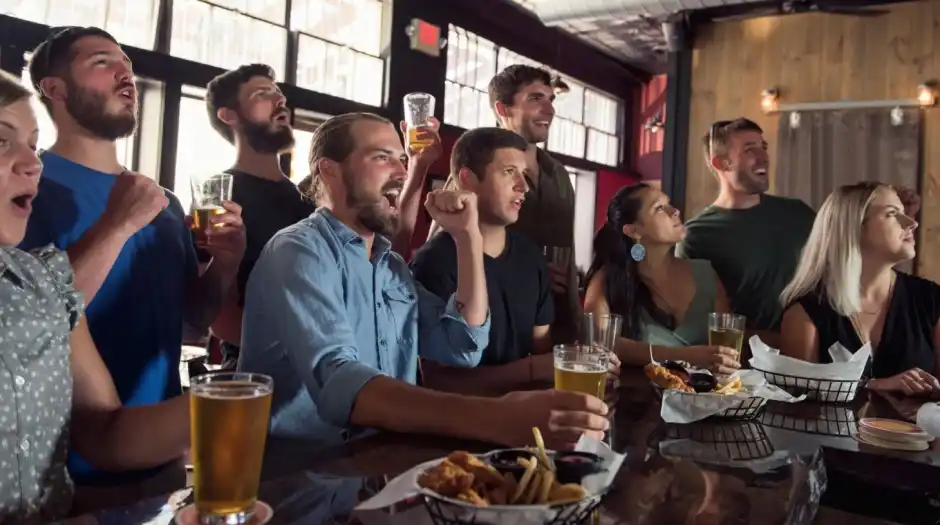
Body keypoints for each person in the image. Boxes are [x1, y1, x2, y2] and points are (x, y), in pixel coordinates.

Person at [238, 112, 609, 449]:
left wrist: (469, 238)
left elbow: (462, 343)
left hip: (374, 464)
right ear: (330, 170)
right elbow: (341, 383)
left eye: (402, 160)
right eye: (382, 157)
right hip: (297, 474)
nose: (401, 173)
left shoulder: (390, 266)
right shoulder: (299, 251)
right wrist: (497, 417)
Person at [21, 27, 245, 485]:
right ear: (55, 89)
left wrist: (224, 263)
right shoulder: (24, 192)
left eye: (126, 63)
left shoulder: (163, 202)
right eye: (102, 62)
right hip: (57, 472)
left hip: (159, 455)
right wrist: (118, 224)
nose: (126, 73)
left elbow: (192, 321)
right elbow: (28, 323)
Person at [0, 69, 189, 525]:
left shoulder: (44, 279)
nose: (33, 162)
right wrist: (119, 224)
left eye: (32, 142)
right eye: (1, 141)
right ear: (56, 87)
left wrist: (249, 402)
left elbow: (103, 430)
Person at [411, 127, 556, 395]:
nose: (523, 187)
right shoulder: (434, 261)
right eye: (509, 171)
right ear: (468, 179)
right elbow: (437, 382)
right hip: (459, 424)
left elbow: (543, 353)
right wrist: (532, 369)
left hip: (527, 420)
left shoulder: (531, 257)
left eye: (523, 175)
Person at [201, 64, 316, 368]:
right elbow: (220, 321)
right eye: (262, 94)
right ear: (230, 115)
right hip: (252, 374)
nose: (280, 101)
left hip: (317, 372)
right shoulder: (217, 194)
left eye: (278, 94)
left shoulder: (307, 201)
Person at [779, 182, 940, 396]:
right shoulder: (806, 312)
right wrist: (875, 385)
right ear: (855, 228)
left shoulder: (930, 299)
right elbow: (797, 402)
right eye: (893, 214)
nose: (912, 223)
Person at [675, 118, 815, 348]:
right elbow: (697, 323)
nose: (764, 157)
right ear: (722, 163)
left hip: (812, 358)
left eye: (764, 147)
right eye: (750, 149)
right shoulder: (696, 236)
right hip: (744, 370)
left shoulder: (799, 213)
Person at [583, 184, 740, 376]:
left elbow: (726, 345)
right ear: (634, 231)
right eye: (659, 208)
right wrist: (685, 356)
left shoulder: (706, 273)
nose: (675, 211)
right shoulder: (609, 278)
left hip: (707, 397)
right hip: (637, 400)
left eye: (669, 204)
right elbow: (599, 340)